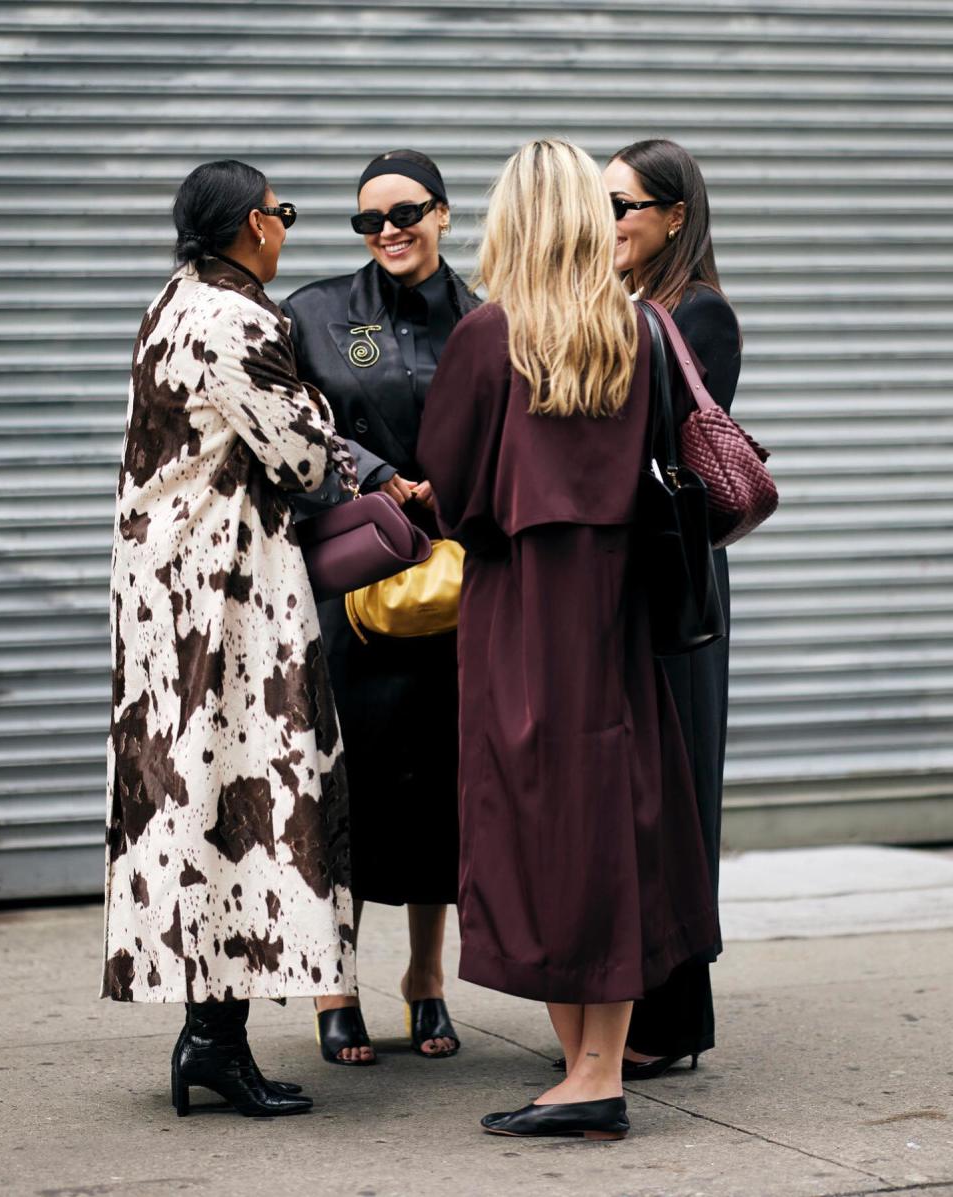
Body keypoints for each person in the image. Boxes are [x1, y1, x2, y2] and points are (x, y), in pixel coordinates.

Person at [417, 139, 719, 1140]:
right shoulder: (639, 329)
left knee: (535, 824)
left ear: (511, 219)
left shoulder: (487, 335)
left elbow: (453, 489)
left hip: (523, 614)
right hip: (621, 615)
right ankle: (598, 1067)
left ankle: (588, 1081)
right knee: (618, 823)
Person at [103, 159, 359, 1117]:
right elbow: (298, 455)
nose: (287, 227)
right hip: (227, 603)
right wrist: (328, 416)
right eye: (282, 213)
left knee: (195, 805)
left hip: (161, 596)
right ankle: (214, 1041)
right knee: (245, 806)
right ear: (254, 225)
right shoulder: (240, 317)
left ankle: (213, 1038)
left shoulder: (172, 300)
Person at [280, 150, 479, 1065]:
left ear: (442, 214)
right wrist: (372, 472)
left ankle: (426, 980)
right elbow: (287, 421)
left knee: (440, 788)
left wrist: (458, 488)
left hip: (446, 594)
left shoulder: (484, 320)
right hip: (347, 591)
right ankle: (336, 984)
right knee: (341, 786)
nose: (387, 231)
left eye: (405, 213)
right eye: (368, 220)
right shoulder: (318, 314)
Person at [601, 138, 742, 1079]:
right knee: (630, 798)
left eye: (624, 205)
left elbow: (668, 449)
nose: (608, 222)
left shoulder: (700, 315)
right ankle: (633, 1002)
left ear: (674, 216)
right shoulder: (626, 307)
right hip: (621, 580)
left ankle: (674, 1016)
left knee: (680, 792)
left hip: (674, 578)